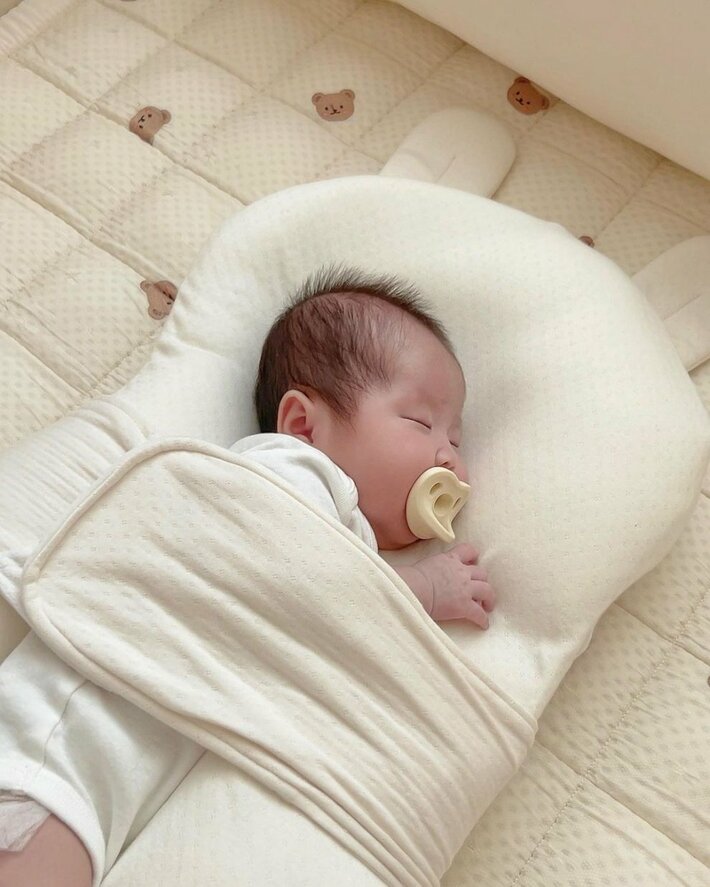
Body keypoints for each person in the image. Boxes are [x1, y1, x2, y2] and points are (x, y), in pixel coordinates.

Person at [0, 266, 494, 887]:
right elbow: (300, 584)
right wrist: (421, 591)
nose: (450, 457)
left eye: (456, 439)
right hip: (49, 756)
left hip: (87, 780)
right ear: (304, 424)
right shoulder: (288, 475)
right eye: (420, 423)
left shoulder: (342, 528)